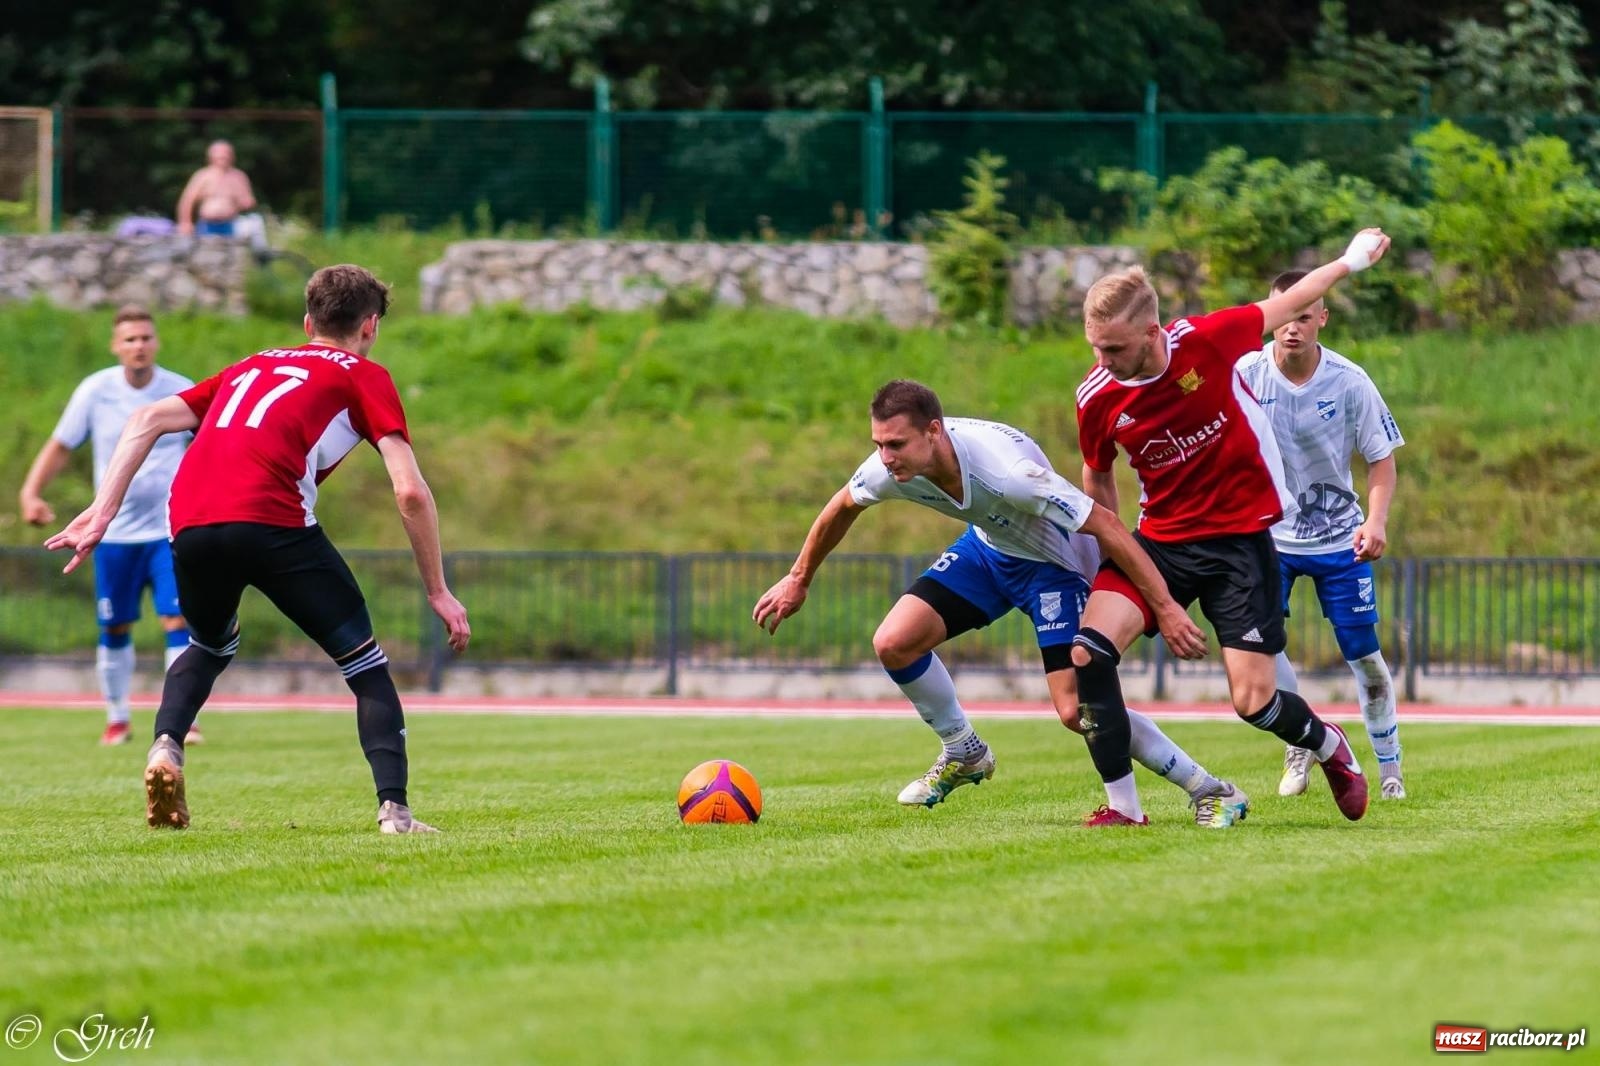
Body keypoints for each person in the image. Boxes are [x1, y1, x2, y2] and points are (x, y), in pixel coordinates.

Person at [46, 265, 471, 835]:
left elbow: (147, 418)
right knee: (365, 664)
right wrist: (438, 590)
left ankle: (166, 746)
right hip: (272, 520)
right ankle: (395, 813)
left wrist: (103, 511)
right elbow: (410, 491)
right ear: (370, 326)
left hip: (190, 521)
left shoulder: (252, 364)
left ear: (307, 323)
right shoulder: (364, 375)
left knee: (210, 643)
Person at [753, 380, 1251, 828]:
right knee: (894, 642)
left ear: (933, 432)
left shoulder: (1009, 473)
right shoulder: (888, 468)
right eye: (878, 444)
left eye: (896, 444)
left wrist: (1164, 606)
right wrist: (798, 579)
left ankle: (1210, 789)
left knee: (1076, 710)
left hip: (1053, 567)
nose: (885, 458)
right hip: (988, 551)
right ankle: (964, 751)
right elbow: (842, 506)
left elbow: (1105, 523)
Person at [1069, 228, 1392, 826]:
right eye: (1095, 348)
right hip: (1161, 543)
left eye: (1113, 349)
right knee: (1088, 654)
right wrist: (1111, 555)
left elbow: (1291, 301)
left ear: (1151, 332)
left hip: (1242, 544)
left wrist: (1351, 260)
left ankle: (1328, 745)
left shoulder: (1206, 340)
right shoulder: (1096, 396)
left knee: (1254, 702)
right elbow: (1098, 478)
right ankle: (1125, 809)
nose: (1102, 361)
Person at [1236, 270, 1407, 800]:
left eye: (1304, 317)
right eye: (1285, 316)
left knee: (1365, 658)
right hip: (1270, 537)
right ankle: (1302, 741)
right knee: (1261, 646)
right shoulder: (1244, 373)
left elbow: (1381, 461)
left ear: (1322, 319)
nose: (1292, 327)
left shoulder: (1350, 381)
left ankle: (1391, 770)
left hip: (1340, 539)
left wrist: (1375, 522)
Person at [19, 306, 201, 746]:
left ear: (156, 342)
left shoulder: (180, 390)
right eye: (130, 339)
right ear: (116, 346)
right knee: (115, 626)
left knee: (177, 618)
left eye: (146, 337)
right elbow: (61, 445)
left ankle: (183, 720)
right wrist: (31, 493)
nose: (139, 346)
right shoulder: (95, 391)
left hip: (169, 530)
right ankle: (118, 719)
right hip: (113, 534)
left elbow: (210, 445)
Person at [175, 140, 256, 237]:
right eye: (220, 156)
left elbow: (248, 201)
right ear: (211, 157)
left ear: (232, 156)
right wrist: (185, 222)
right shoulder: (203, 175)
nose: (223, 158)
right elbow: (187, 200)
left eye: (226, 155)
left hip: (230, 224)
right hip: (207, 225)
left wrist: (245, 202)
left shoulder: (238, 176)